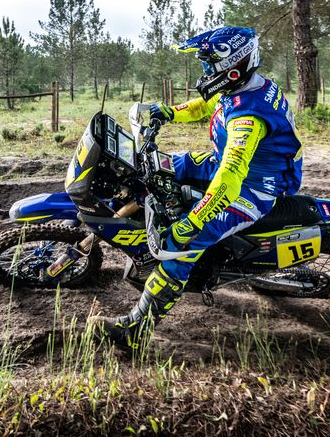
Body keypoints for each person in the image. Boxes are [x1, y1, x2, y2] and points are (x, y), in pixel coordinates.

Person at [89, 26, 303, 351]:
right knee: (163, 165)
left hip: (253, 189)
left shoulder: (248, 118)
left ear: (234, 66)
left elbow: (229, 180)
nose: (204, 71)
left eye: (209, 65)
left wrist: (192, 223)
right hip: (233, 167)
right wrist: (170, 112)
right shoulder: (240, 87)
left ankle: (137, 330)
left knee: (182, 243)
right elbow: (207, 105)